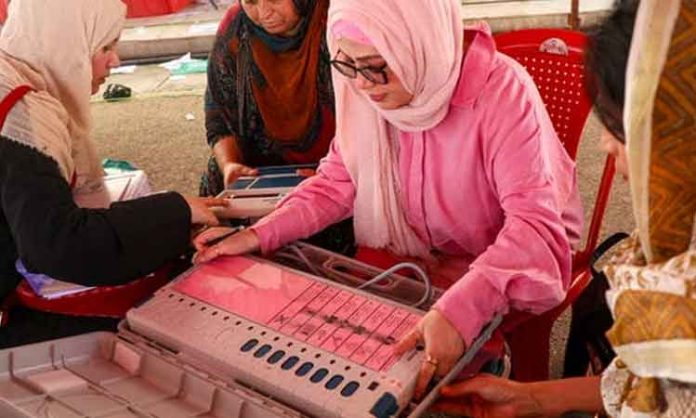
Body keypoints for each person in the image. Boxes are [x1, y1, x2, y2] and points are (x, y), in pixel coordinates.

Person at [194, 0, 584, 399]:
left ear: (417, 46)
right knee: (342, 337)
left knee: (419, 363)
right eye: (347, 66)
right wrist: (259, 235)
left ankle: (490, 361)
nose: (361, 85)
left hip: (503, 254)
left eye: (375, 66)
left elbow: (535, 230)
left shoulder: (502, 92)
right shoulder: (366, 90)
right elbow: (337, 181)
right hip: (415, 243)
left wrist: (458, 311)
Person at [431, 1, 696, 416]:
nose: (606, 147)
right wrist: (530, 398)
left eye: (621, 128)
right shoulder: (673, 255)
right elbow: (654, 389)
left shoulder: (502, 89)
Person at [0, 0, 223, 348]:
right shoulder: (22, 114)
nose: (115, 60)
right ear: (66, 42)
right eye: (104, 46)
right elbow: (60, 246)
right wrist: (177, 212)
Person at [200, 0, 335, 197]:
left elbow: (372, 119)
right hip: (261, 167)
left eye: (275, 0)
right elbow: (219, 112)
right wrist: (230, 164)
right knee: (217, 177)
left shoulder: (336, 22)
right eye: (251, 2)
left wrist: (336, 171)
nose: (264, 14)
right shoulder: (237, 28)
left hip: (342, 163)